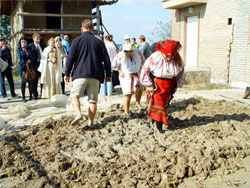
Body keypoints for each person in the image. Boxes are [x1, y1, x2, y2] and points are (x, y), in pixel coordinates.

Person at [64, 19, 112, 126]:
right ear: (92, 30)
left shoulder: (76, 41)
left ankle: (78, 113)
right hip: (95, 74)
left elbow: (70, 59)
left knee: (74, 96)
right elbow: (106, 60)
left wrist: (67, 73)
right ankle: (91, 122)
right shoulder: (99, 42)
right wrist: (109, 74)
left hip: (80, 73)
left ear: (82, 29)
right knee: (93, 101)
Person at [140, 40, 184, 134]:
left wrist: (176, 85)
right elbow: (145, 70)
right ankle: (159, 127)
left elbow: (181, 72)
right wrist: (149, 84)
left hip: (169, 86)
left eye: (170, 56)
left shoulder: (177, 58)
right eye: (166, 56)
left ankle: (154, 120)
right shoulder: (156, 57)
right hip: (157, 85)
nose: (168, 58)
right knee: (158, 106)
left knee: (164, 105)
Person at [112, 43, 145, 115]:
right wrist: (120, 71)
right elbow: (114, 65)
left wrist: (141, 67)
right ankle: (126, 111)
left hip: (137, 73)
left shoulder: (138, 52)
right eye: (126, 52)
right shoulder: (120, 55)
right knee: (128, 94)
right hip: (126, 76)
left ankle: (138, 102)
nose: (128, 54)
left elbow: (143, 60)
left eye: (130, 52)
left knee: (140, 88)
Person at [17, 37, 36, 102]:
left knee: (30, 82)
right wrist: (23, 49)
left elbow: (33, 56)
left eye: (24, 42)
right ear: (20, 43)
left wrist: (30, 60)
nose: (23, 43)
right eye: (22, 42)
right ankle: (23, 97)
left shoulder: (29, 49)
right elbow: (21, 57)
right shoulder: (19, 50)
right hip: (23, 68)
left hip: (30, 67)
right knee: (23, 83)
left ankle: (31, 96)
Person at [29, 33, 44, 99]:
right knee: (34, 81)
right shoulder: (30, 46)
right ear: (33, 39)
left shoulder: (42, 45)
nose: (38, 40)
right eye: (36, 39)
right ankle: (35, 94)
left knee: (42, 80)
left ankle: (43, 93)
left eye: (39, 39)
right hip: (34, 65)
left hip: (42, 64)